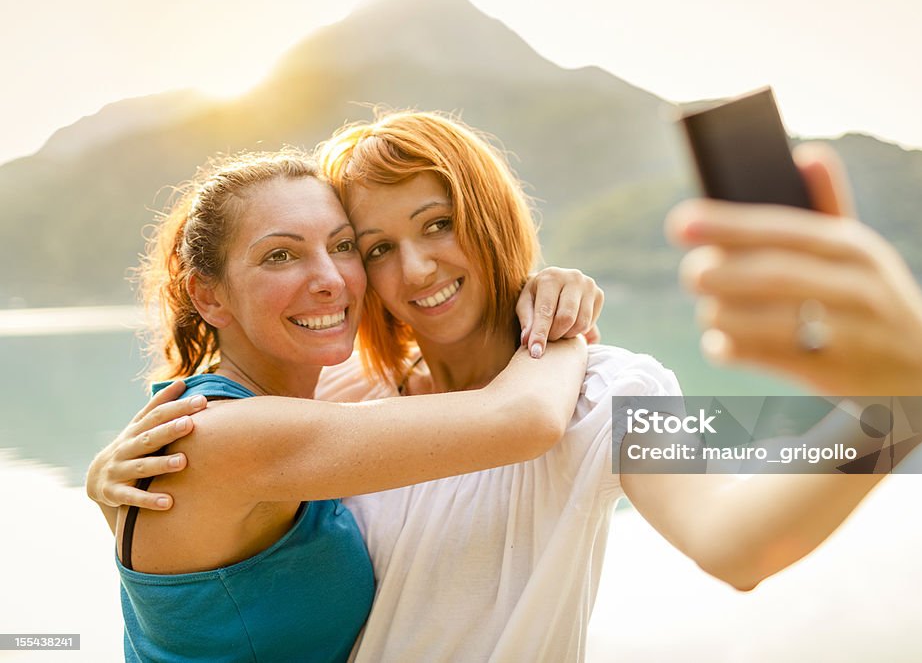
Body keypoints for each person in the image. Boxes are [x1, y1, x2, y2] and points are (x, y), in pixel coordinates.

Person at [91, 112, 922, 662]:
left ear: (492, 221)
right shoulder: (351, 393)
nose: (416, 267)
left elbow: (736, 542)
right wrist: (111, 476)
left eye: (439, 224)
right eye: (380, 245)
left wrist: (901, 411)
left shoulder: (614, 386)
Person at [103, 149, 600, 662]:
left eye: (344, 247)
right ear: (208, 297)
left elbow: (693, 516)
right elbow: (523, 420)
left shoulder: (336, 393)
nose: (332, 280)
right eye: (281, 255)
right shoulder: (222, 434)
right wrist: (563, 330)